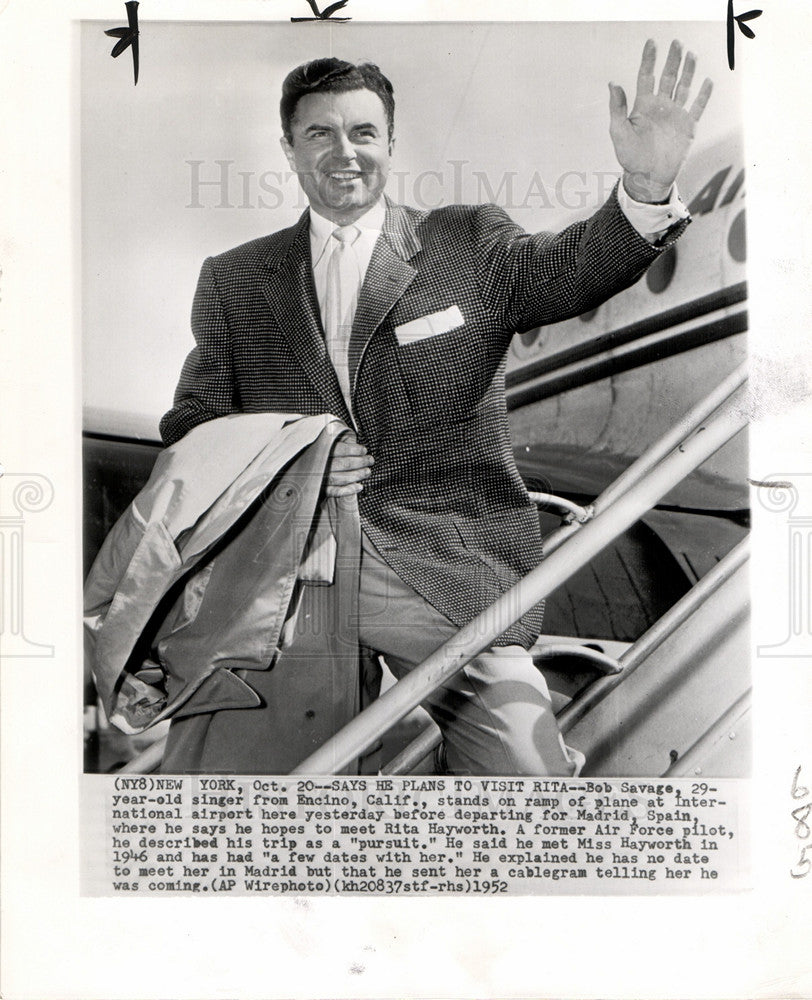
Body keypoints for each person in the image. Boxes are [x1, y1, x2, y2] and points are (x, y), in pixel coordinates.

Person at [159, 41, 712, 775]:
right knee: (240, 793)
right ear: (288, 149)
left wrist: (644, 188)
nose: (344, 152)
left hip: (441, 564)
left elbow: (567, 272)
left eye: (362, 132)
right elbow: (195, 421)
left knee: (525, 775)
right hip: (294, 576)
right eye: (319, 133)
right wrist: (291, 456)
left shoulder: (467, 242)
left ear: (390, 142)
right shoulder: (233, 280)